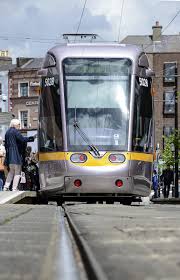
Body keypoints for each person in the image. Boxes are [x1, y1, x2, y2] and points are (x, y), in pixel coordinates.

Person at [3, 119, 36, 191]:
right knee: (17, 171)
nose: (19, 126)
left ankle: (6, 186)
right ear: (15, 125)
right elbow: (22, 139)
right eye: (18, 125)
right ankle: (14, 188)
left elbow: (5, 145)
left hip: (9, 155)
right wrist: (32, 138)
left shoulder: (7, 132)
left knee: (11, 171)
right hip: (15, 155)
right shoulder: (15, 131)